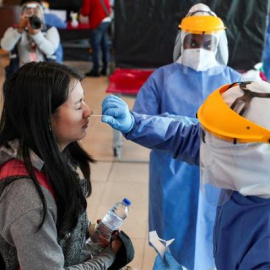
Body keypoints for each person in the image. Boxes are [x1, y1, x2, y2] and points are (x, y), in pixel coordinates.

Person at [101, 80, 270, 269]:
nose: (203, 149)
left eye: (216, 147)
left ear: (253, 158)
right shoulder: (249, 171)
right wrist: (135, 124)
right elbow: (190, 137)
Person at [132, 3, 241, 269]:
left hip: (219, 177)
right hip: (171, 175)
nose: (199, 47)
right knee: (172, 238)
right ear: (183, 40)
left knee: (214, 236)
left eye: (206, 41)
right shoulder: (161, 79)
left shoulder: (233, 82)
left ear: (216, 43)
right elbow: (139, 124)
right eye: (193, 40)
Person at [0, 62, 125, 269]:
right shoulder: (27, 196)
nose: (88, 111)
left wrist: (93, 230)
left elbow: (56, 224)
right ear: (46, 119)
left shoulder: (52, 155)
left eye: (83, 99)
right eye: (78, 105)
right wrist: (109, 255)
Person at [0, 0, 60, 77]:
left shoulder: (50, 29)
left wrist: (36, 35)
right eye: (27, 10)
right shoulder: (14, 30)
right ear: (21, 13)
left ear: (41, 13)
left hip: (45, 74)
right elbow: (5, 46)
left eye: (36, 10)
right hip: (20, 74)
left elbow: (50, 50)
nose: (32, 13)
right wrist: (19, 30)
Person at [80, 0, 111, 77]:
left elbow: (85, 12)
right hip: (106, 20)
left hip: (97, 22)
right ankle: (105, 69)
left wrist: (81, 10)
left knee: (95, 47)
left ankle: (96, 70)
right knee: (105, 46)